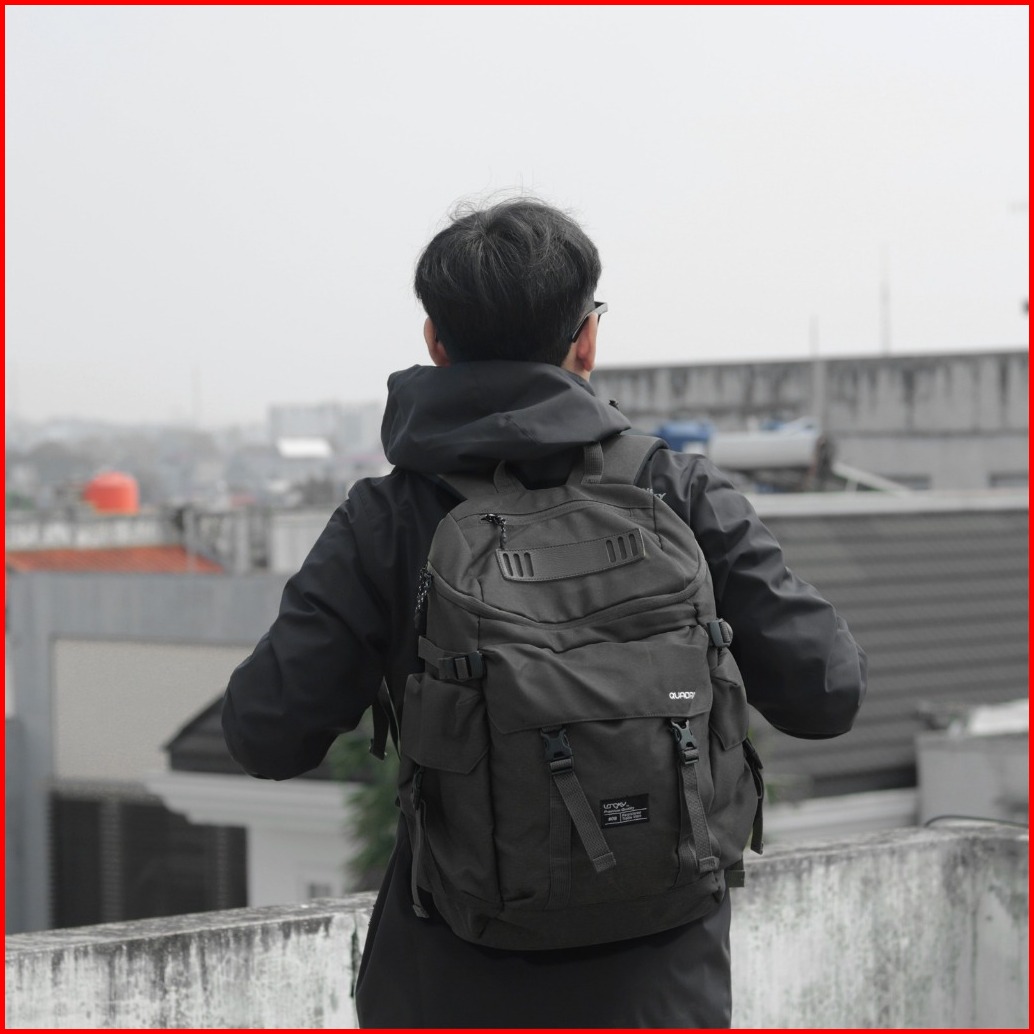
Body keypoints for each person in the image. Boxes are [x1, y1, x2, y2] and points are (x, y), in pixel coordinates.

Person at [221, 197, 867, 1028]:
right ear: (586, 341)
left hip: (449, 990)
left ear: (435, 342)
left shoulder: (384, 520)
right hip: (661, 996)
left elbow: (265, 733)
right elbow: (827, 693)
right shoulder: (678, 491)